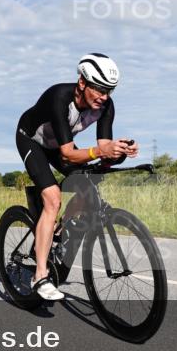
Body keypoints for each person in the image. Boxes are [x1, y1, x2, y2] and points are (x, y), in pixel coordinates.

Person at [15, 53, 138, 300]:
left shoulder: (105, 106)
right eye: (100, 90)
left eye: (110, 91)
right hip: (32, 141)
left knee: (88, 184)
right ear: (82, 82)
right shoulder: (59, 97)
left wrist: (119, 151)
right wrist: (100, 150)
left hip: (59, 147)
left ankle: (58, 231)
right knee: (52, 197)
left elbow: (103, 151)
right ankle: (40, 275)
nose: (104, 97)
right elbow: (69, 154)